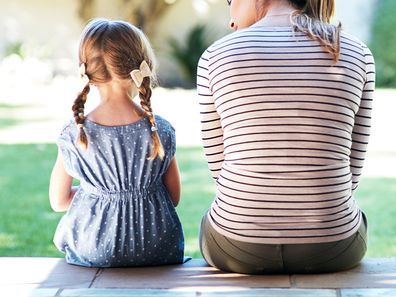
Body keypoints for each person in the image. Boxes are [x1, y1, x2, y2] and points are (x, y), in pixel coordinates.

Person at [197, 0, 374, 274]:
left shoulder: (215, 55)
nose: (231, 20)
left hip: (236, 246)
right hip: (333, 246)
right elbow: (352, 171)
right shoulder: (357, 52)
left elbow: (220, 170)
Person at [49, 18, 185, 267]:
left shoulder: (75, 133)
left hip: (94, 248)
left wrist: (98, 193)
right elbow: (173, 197)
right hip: (158, 247)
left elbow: (58, 201)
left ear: (86, 71)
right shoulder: (160, 129)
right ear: (143, 66)